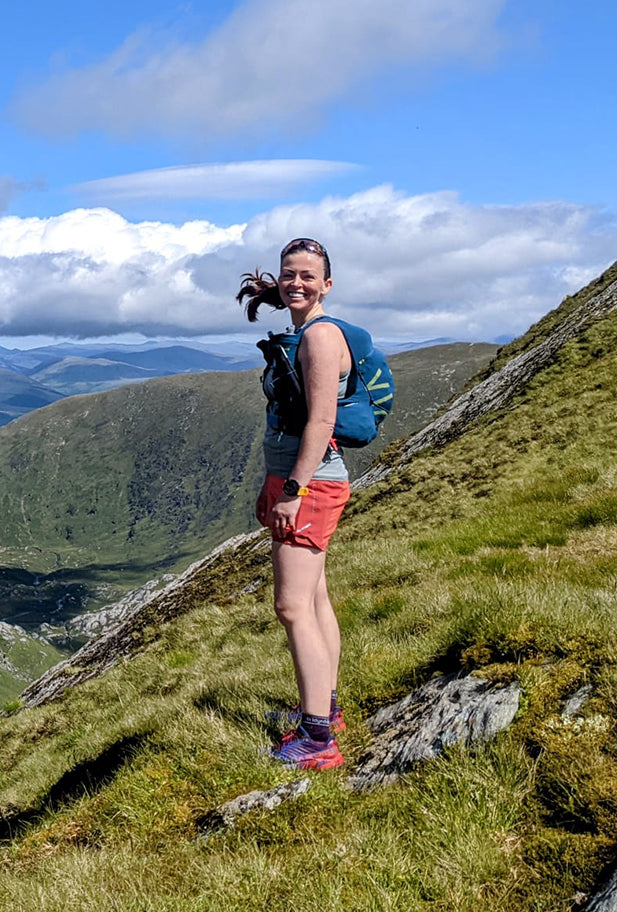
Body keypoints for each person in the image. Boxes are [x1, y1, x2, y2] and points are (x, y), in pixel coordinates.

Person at [238, 237, 351, 770]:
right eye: (289, 275)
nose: (297, 283)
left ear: (327, 283)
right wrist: (276, 480)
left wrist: (292, 491)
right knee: (315, 598)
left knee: (290, 607)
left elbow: (322, 422)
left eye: (308, 275)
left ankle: (317, 738)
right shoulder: (305, 332)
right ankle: (326, 707)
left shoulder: (322, 339)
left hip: (310, 484)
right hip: (299, 479)